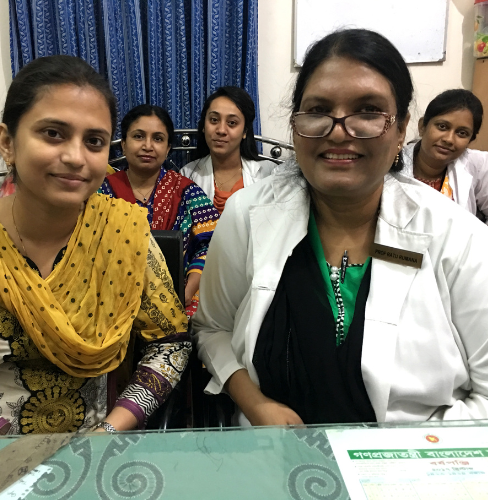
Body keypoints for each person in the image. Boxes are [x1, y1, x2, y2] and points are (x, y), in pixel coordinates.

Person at [193, 29, 488, 427]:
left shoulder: (458, 235)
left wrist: (401, 462)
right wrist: (257, 405)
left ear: (401, 129)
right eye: (318, 110)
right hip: (270, 459)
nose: (338, 130)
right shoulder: (248, 213)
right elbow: (213, 328)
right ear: (296, 125)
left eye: (368, 111)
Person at [0, 55, 191, 436]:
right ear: (8, 142)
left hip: (94, 449)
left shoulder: (123, 234)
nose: (75, 157)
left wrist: (113, 429)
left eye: (94, 141)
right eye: (53, 133)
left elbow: (171, 345)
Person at [99, 105, 220, 316]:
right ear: (124, 145)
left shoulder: (187, 192)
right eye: (138, 136)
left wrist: (187, 293)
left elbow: (212, 246)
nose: (148, 146)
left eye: (157, 138)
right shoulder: (102, 192)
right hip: (111, 303)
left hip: (180, 300)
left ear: (167, 148)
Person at [180, 86, 276, 213]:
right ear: (203, 126)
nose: (221, 130)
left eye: (232, 123)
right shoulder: (187, 175)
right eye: (214, 120)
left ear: (245, 132)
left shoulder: (268, 174)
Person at [402, 89, 488, 223]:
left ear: (470, 141)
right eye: (442, 127)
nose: (449, 139)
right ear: (422, 127)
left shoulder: (478, 164)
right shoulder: (391, 163)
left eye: (462, 133)